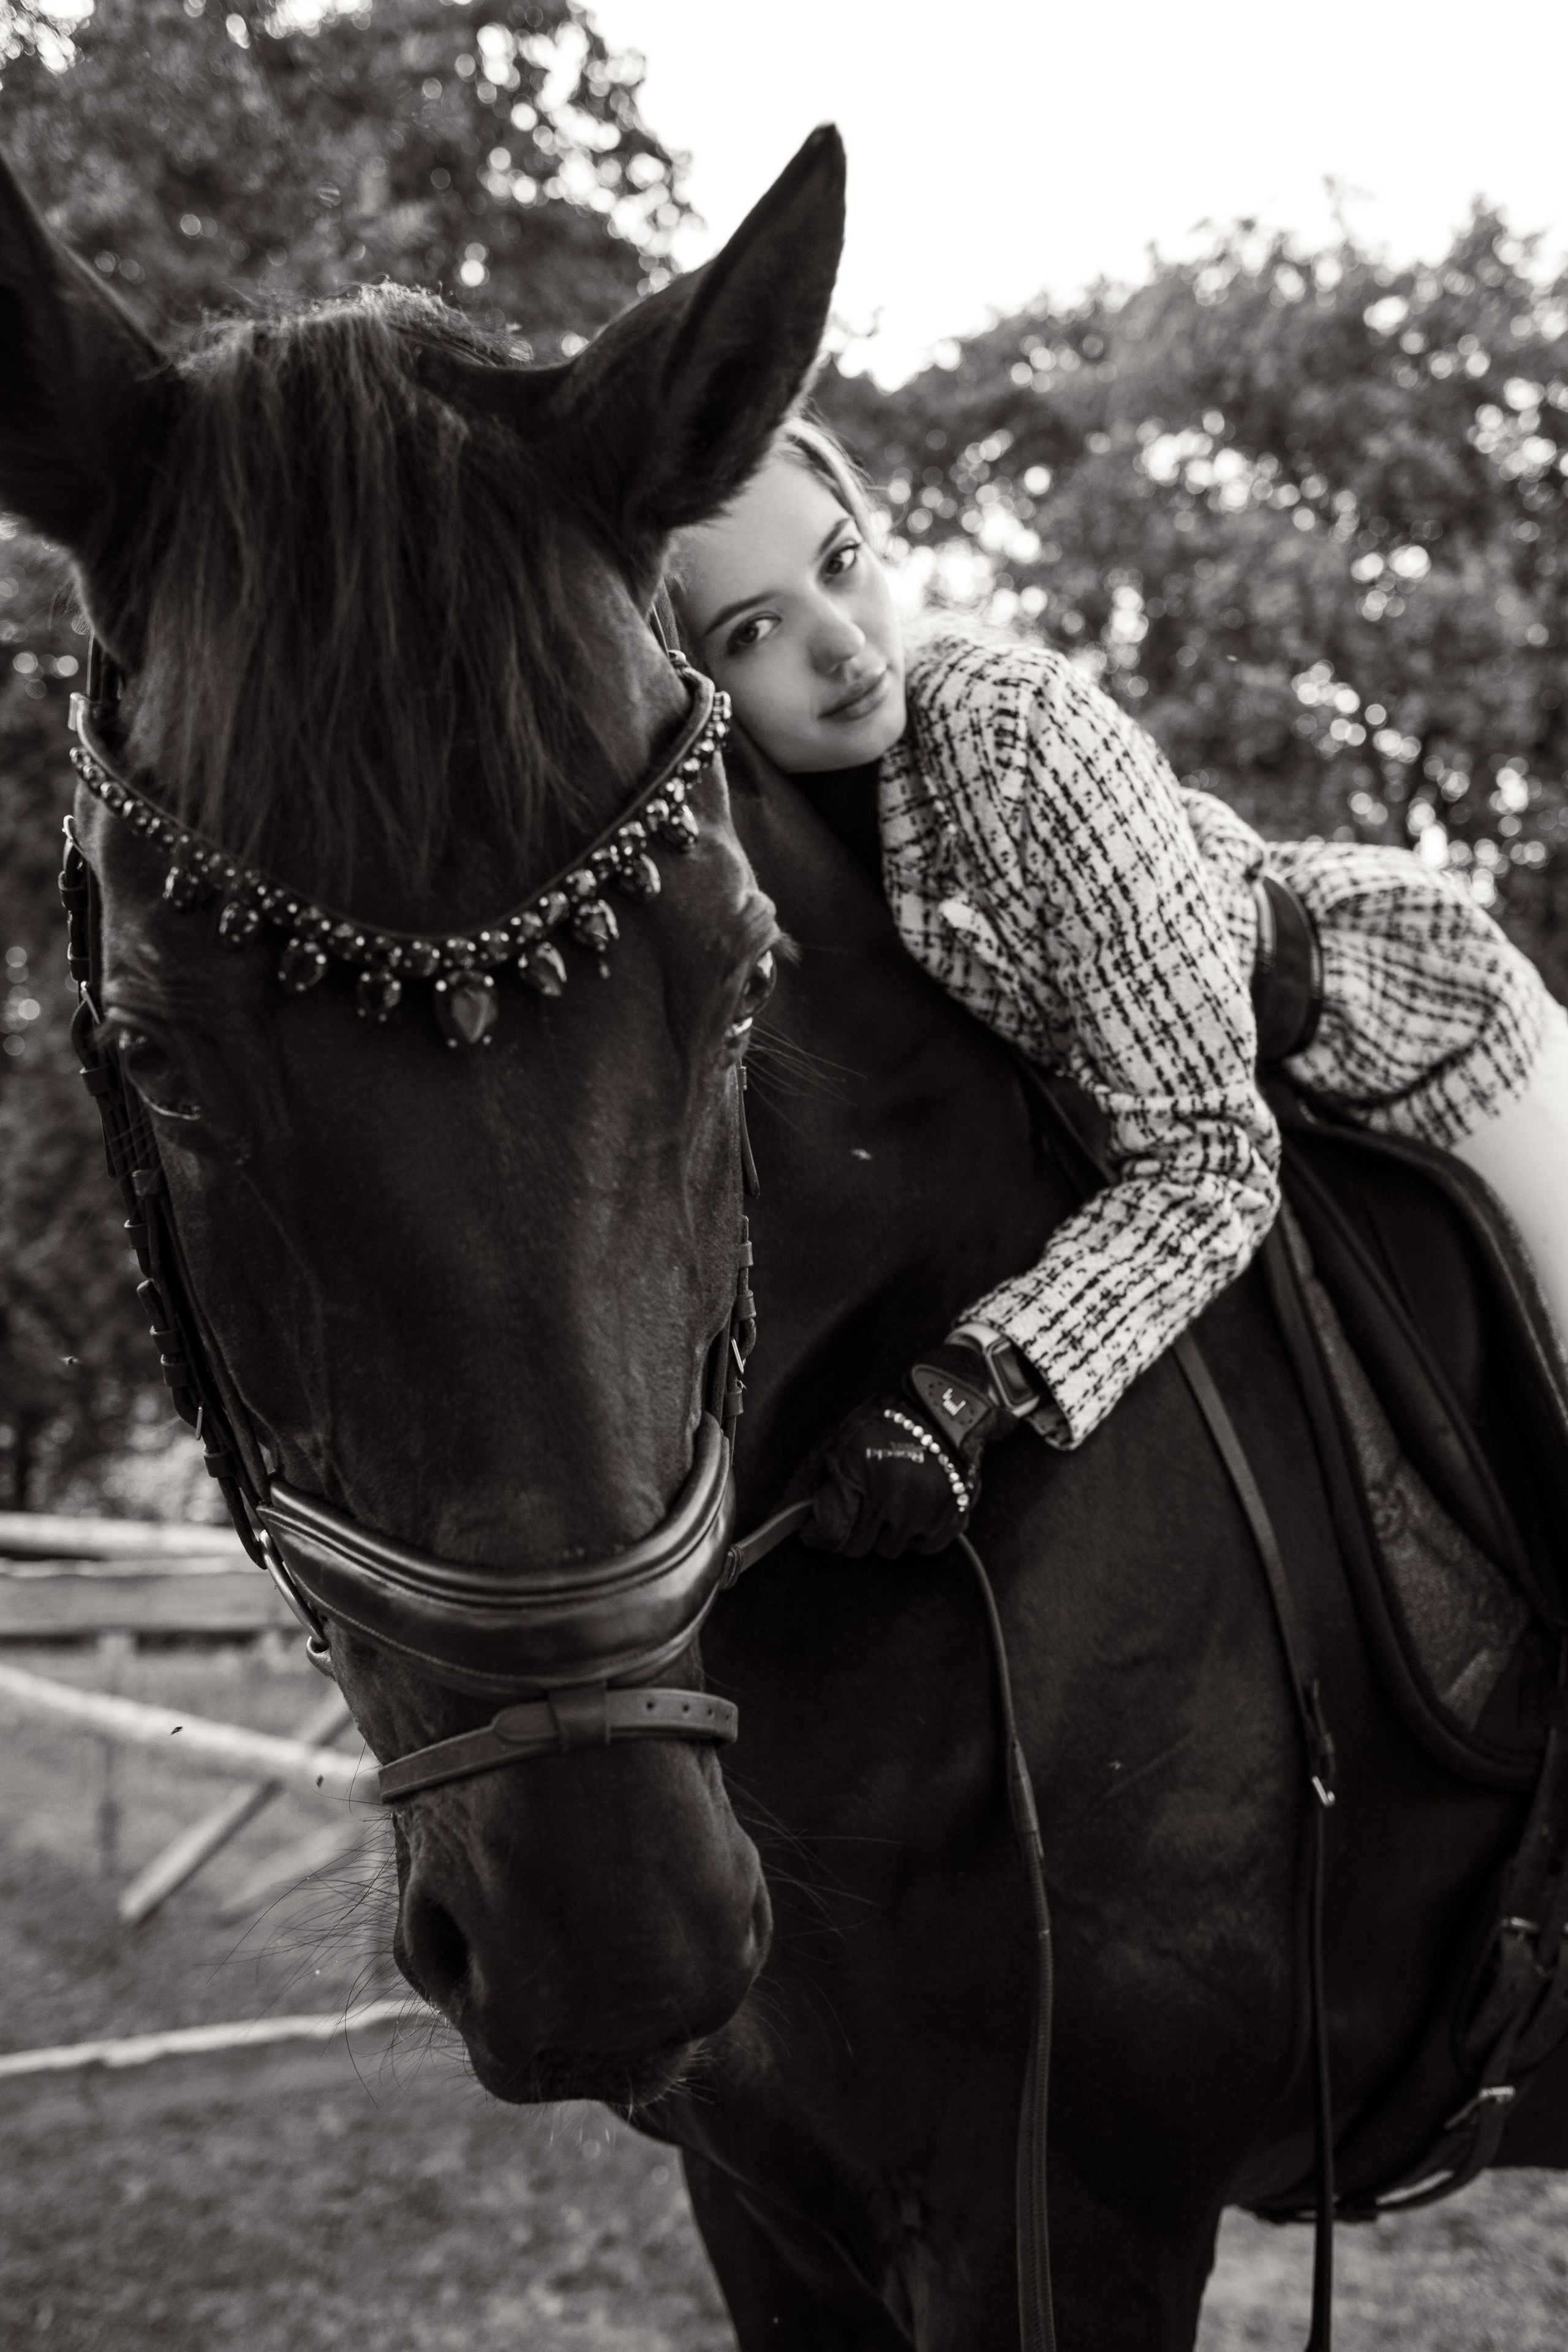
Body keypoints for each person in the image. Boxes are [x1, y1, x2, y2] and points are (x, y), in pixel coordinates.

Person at [666, 419, 1564, 1559]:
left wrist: (971, 1387)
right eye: (755, 631)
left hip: (1392, 1031)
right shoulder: (731, 853)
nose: (843, 646)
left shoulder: (1014, 727)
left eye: (841, 563)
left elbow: (1211, 1159)